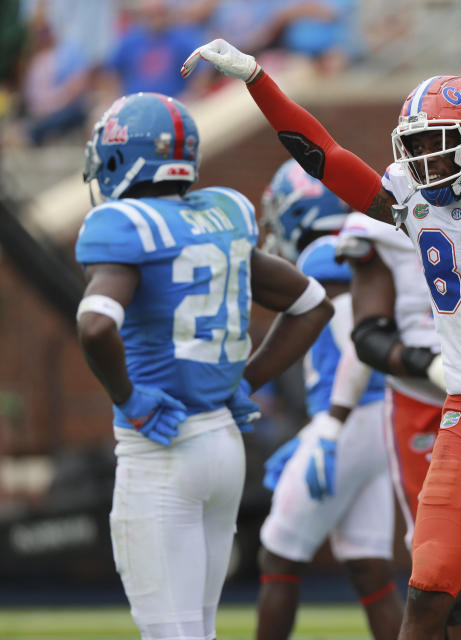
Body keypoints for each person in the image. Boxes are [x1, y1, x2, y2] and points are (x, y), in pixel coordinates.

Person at [181, 38, 461, 640]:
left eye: (438, 146)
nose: (424, 162)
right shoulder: (410, 197)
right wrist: (258, 77)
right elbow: (324, 155)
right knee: (427, 592)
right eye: (413, 147)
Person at [75, 92, 332, 640]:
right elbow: (312, 302)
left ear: (122, 155)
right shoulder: (221, 214)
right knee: (200, 630)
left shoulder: (127, 223)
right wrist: (246, 382)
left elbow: (95, 324)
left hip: (162, 446)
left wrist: (129, 398)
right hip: (223, 444)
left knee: (170, 633)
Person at [339, 208, 461, 640]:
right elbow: (368, 335)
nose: (428, 159)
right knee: (443, 566)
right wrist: (426, 362)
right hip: (424, 401)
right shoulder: (393, 207)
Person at [254, 159, 401, 640]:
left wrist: (327, 426)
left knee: (277, 554)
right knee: (369, 569)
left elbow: (352, 341)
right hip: (382, 418)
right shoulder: (370, 244)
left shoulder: (325, 255)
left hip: (352, 415)